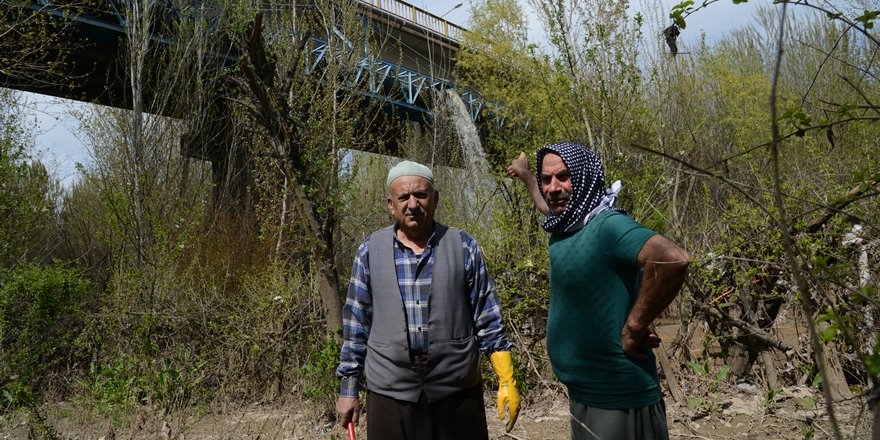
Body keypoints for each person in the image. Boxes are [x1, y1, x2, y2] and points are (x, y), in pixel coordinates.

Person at [509, 142, 689, 440]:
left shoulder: (607, 226)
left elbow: (673, 259)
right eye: (546, 179)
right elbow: (545, 203)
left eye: (564, 177)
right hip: (584, 388)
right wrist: (526, 175)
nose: (553, 188)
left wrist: (635, 325)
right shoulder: (567, 222)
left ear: (584, 178)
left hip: (616, 392)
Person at [335, 160, 521, 440]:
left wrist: (506, 379)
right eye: (403, 197)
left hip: (456, 391)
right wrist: (348, 390)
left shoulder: (463, 246)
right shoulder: (369, 251)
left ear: (435, 199)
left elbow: (488, 317)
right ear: (390, 204)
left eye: (421, 195)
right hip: (390, 391)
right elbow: (355, 326)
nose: (413, 204)